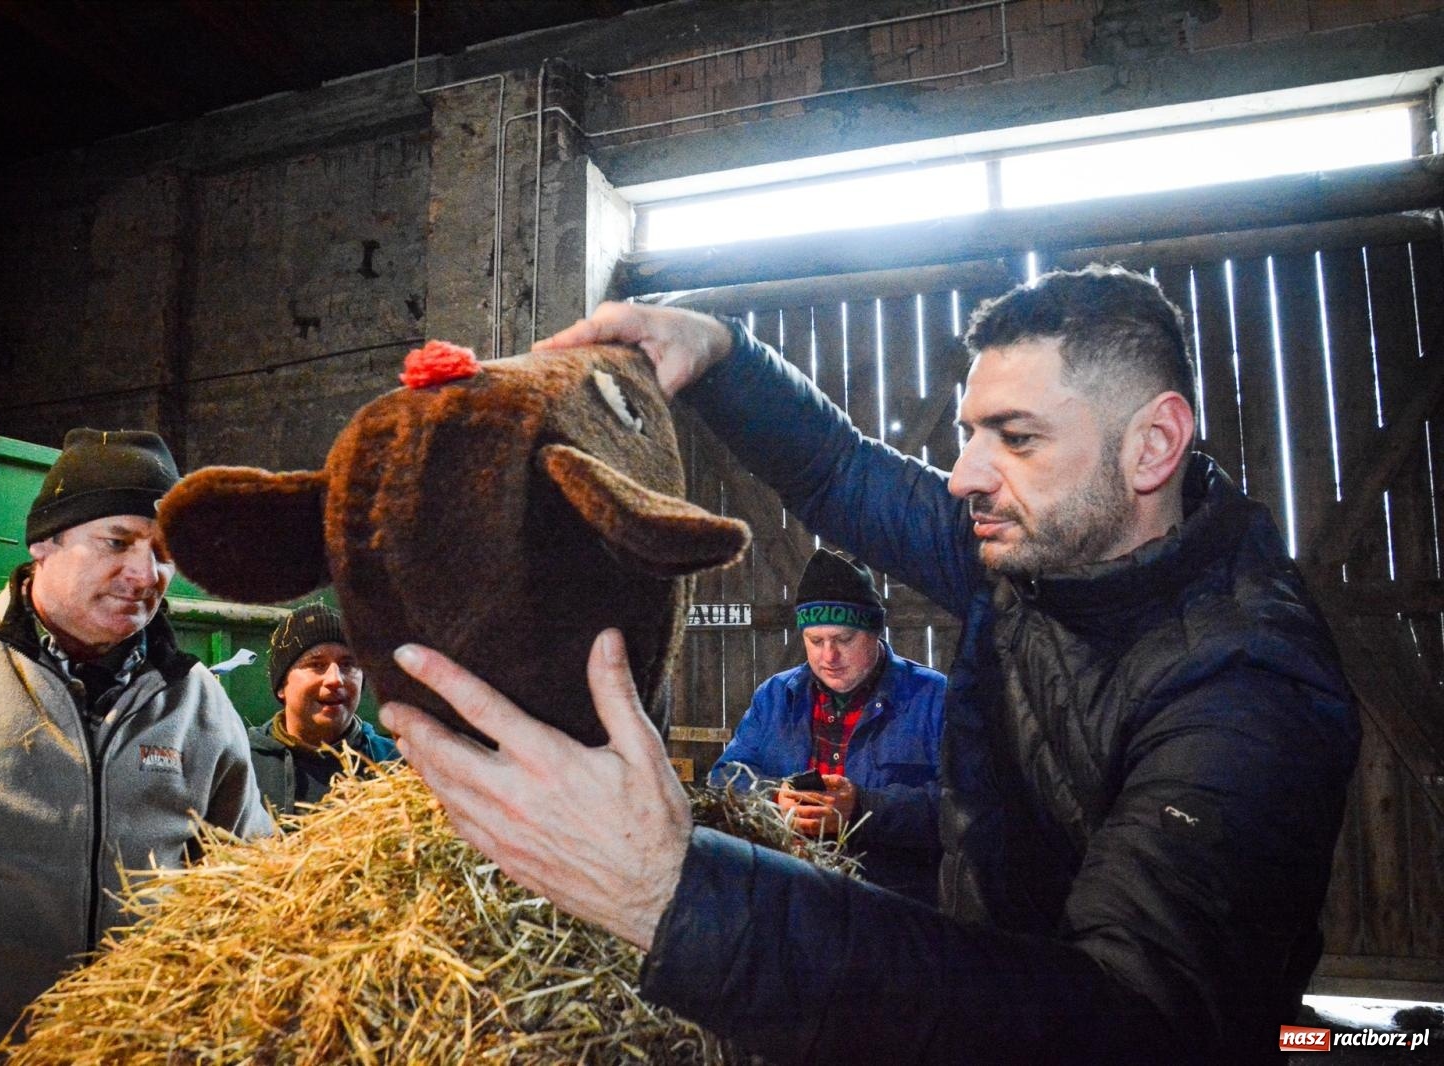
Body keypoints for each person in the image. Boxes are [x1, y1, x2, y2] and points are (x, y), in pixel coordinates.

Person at [379, 265, 1359, 1065]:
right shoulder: (1033, 551)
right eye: (973, 432)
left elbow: (1123, 1023)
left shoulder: (1246, 691)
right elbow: (840, 472)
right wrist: (720, 355)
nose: (967, 472)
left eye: (1014, 437)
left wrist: (674, 894)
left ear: (1153, 444)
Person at [0, 428, 276, 1064]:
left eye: (163, 552)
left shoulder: (197, 704)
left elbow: (252, 886)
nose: (144, 573)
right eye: (117, 542)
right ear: (45, 543)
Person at [708, 547, 944, 901]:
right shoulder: (774, 696)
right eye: (815, 641)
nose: (828, 656)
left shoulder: (934, 698)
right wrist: (773, 797)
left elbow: (967, 807)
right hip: (792, 894)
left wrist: (863, 808)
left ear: (874, 632)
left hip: (893, 903)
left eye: (844, 640)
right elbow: (724, 776)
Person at [249, 602, 399, 816]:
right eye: (317, 665)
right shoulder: (243, 764)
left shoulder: (396, 765)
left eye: (347, 665)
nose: (335, 680)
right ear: (282, 685)